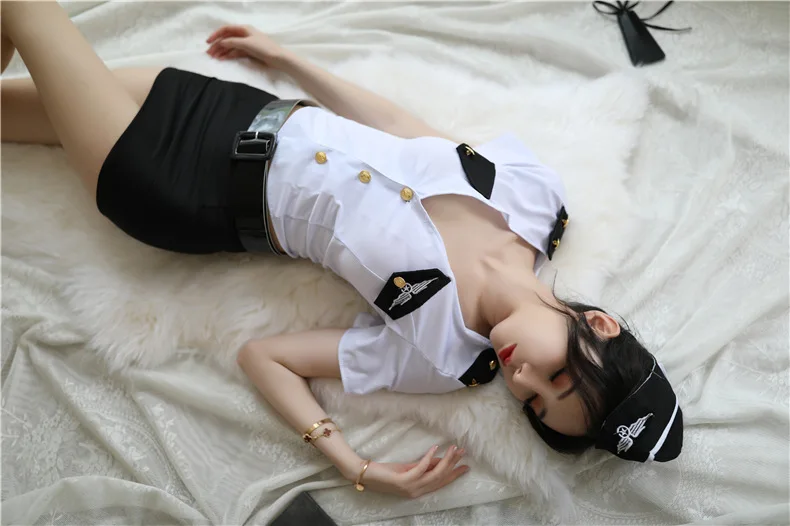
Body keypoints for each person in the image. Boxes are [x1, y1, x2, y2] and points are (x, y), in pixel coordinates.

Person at [1, 2, 683, 500]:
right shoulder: (536, 200)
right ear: (599, 324)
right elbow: (400, 127)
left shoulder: (444, 356)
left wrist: (352, 464)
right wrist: (289, 61)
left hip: (174, 189)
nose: (522, 380)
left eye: (532, 403)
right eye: (557, 376)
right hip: (232, 108)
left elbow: (263, 355)